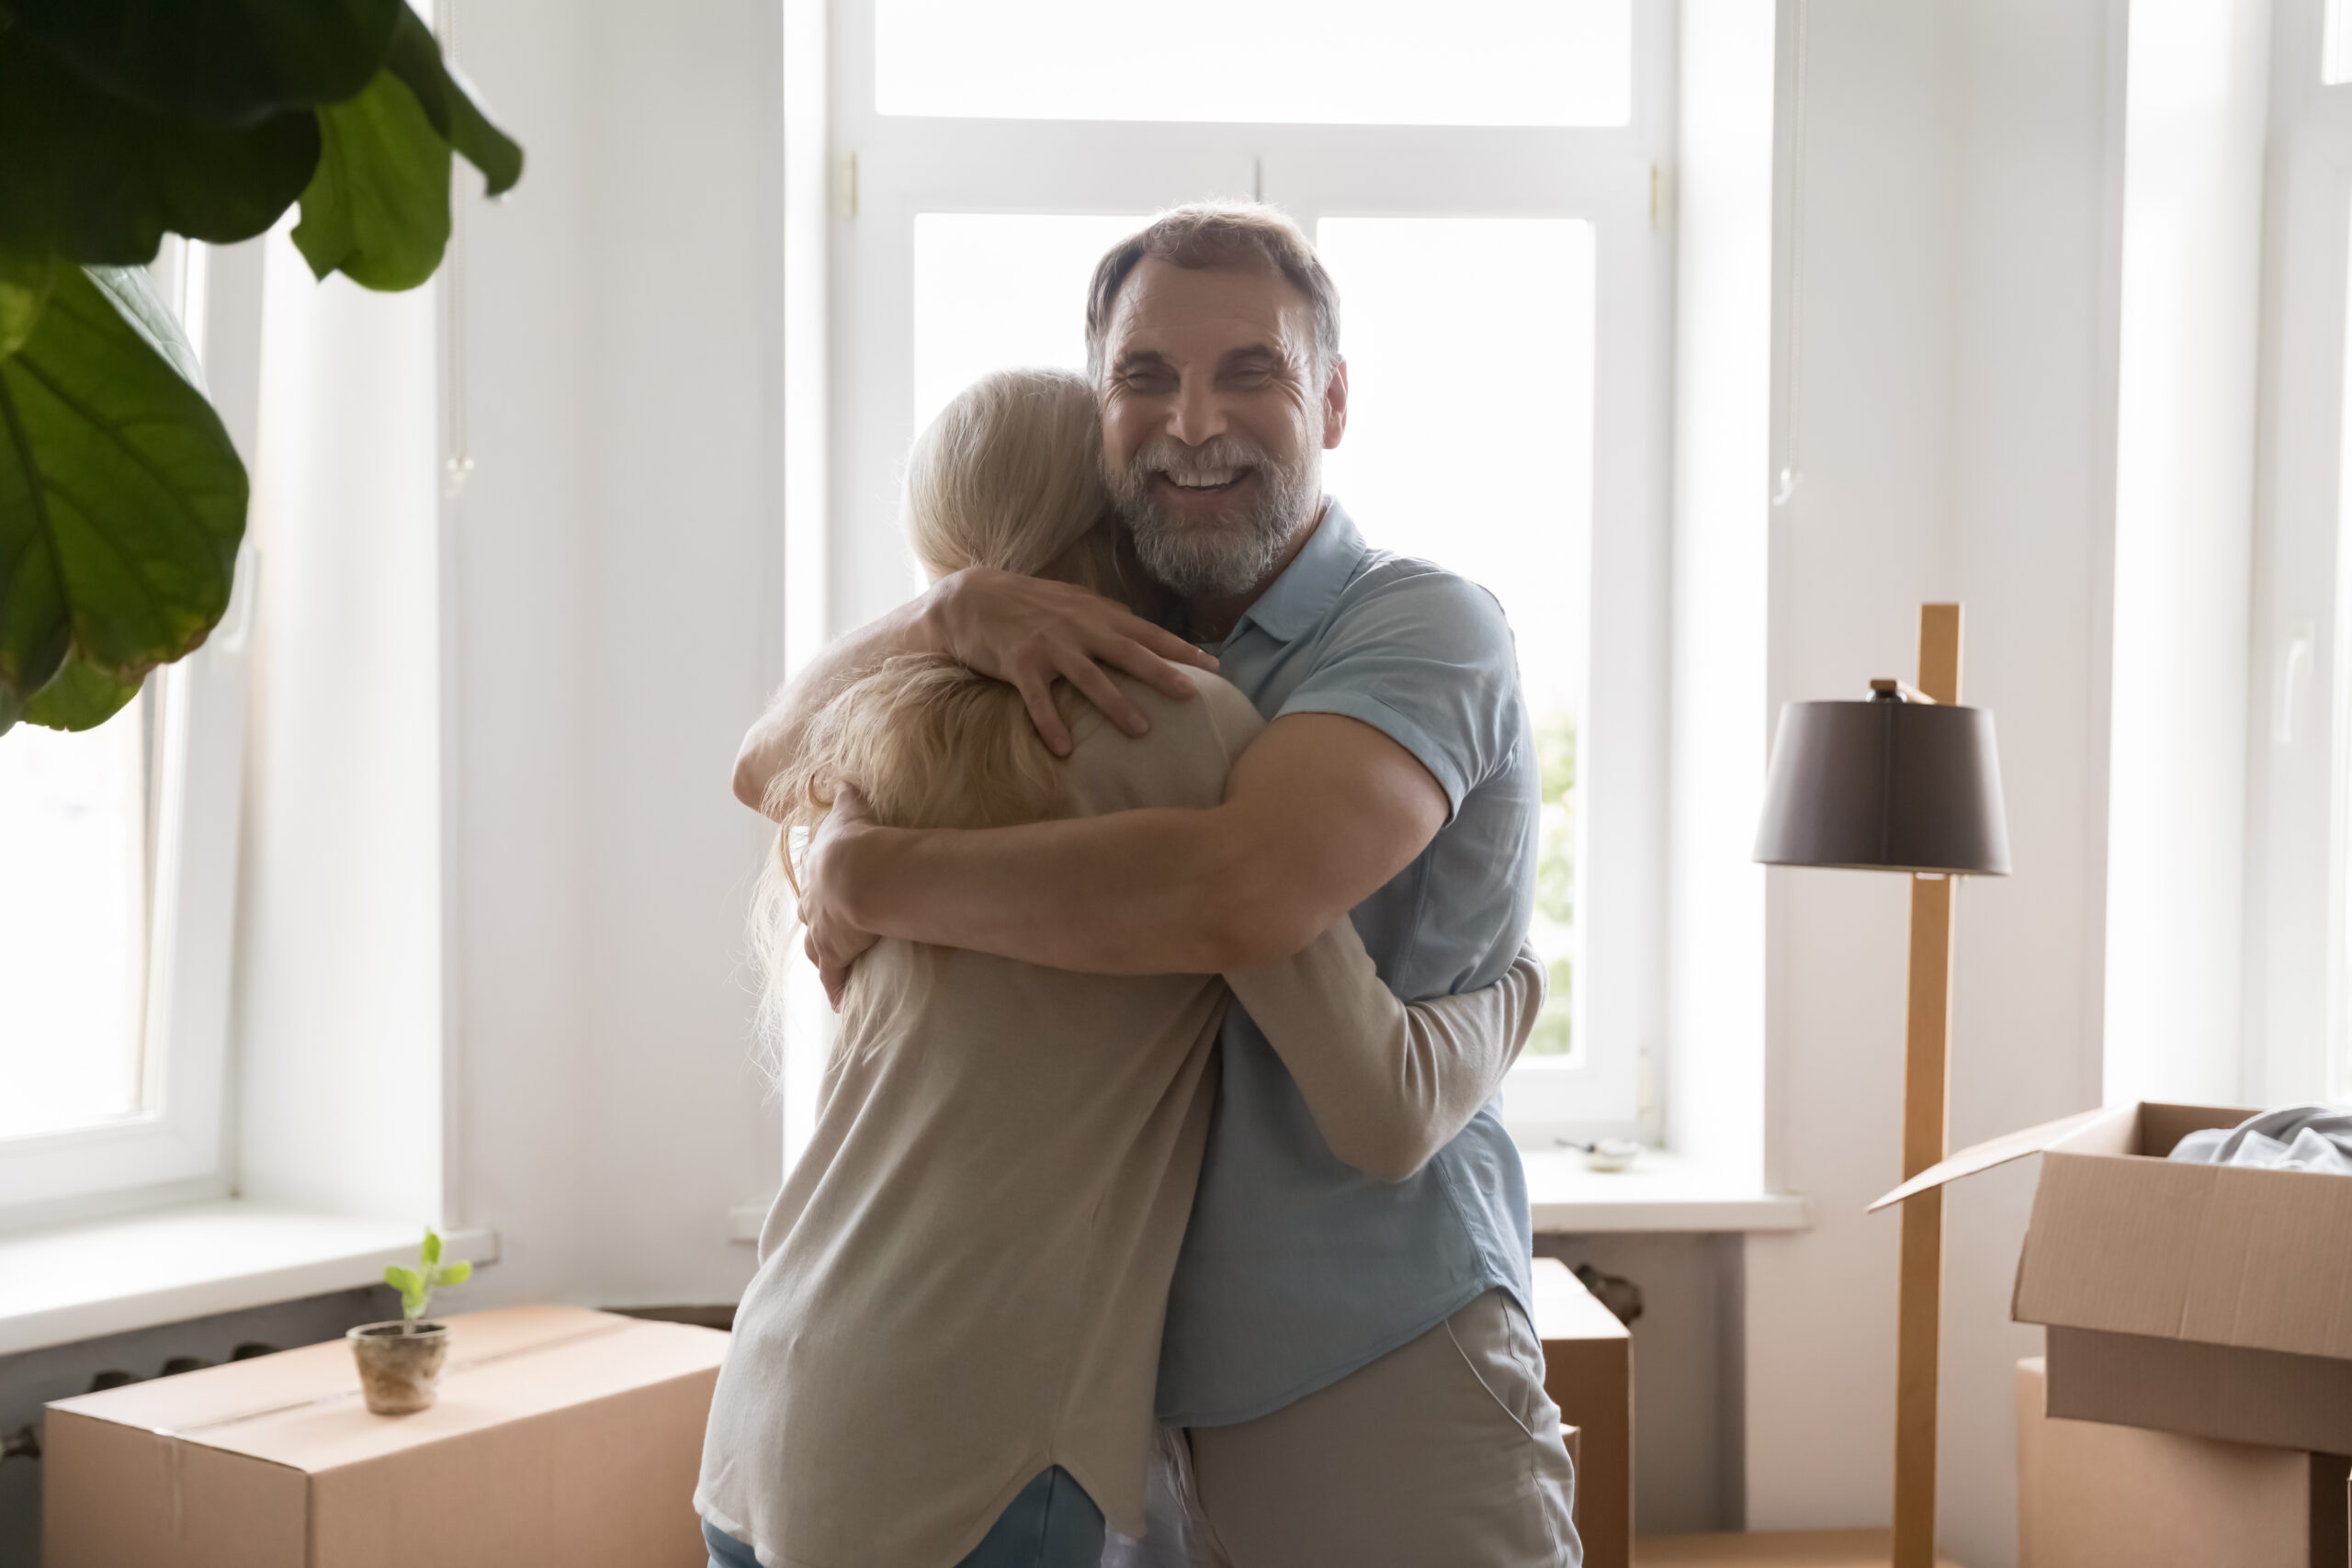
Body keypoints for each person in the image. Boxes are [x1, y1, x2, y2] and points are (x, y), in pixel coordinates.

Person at [748, 203, 1580, 1567]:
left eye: (1250, 369)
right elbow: (756, 766)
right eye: (1145, 378)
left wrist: (871, 873)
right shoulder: (1072, 683)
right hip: (1109, 1399)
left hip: (1370, 1366)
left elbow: (1240, 892)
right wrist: (946, 610)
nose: (1195, 421)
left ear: (1334, 397)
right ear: (1098, 417)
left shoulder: (1422, 624)